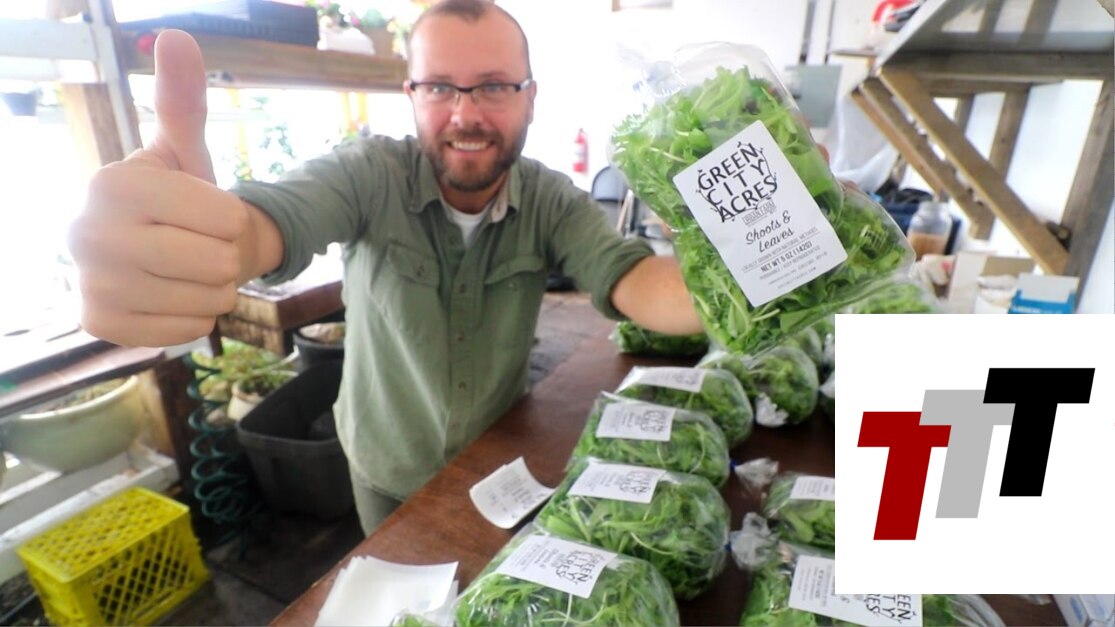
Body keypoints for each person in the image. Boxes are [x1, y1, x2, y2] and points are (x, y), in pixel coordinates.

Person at [68, 0, 702, 534]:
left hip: (499, 458)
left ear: (530, 99)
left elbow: (634, 280)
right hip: (384, 469)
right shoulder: (369, 175)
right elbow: (273, 221)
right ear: (412, 96)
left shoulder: (552, 200)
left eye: (493, 86)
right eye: (440, 87)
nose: (465, 114)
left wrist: (741, 269)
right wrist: (209, 242)